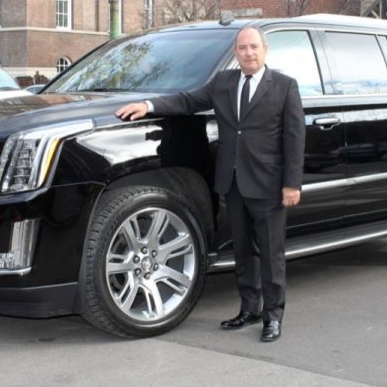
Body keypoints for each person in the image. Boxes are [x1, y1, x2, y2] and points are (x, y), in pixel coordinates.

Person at [116, 26, 305, 342]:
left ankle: (273, 317)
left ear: (265, 49)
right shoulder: (223, 82)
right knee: (243, 251)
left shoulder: (285, 86)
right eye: (242, 47)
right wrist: (148, 105)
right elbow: (187, 100)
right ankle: (249, 309)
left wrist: (292, 184)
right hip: (232, 183)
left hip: (268, 184)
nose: (248, 52)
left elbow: (295, 138)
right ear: (236, 52)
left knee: (271, 255)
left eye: (254, 46)